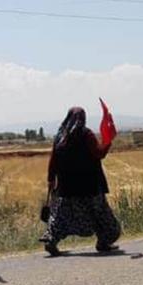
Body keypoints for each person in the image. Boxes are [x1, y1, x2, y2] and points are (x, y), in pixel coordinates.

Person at [40, 107, 121, 256]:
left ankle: (51, 240)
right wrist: (108, 142)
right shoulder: (86, 134)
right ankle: (104, 241)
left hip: (67, 186)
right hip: (90, 185)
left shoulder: (60, 136)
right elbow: (99, 154)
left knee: (60, 215)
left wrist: (51, 180)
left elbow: (54, 161)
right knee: (100, 214)